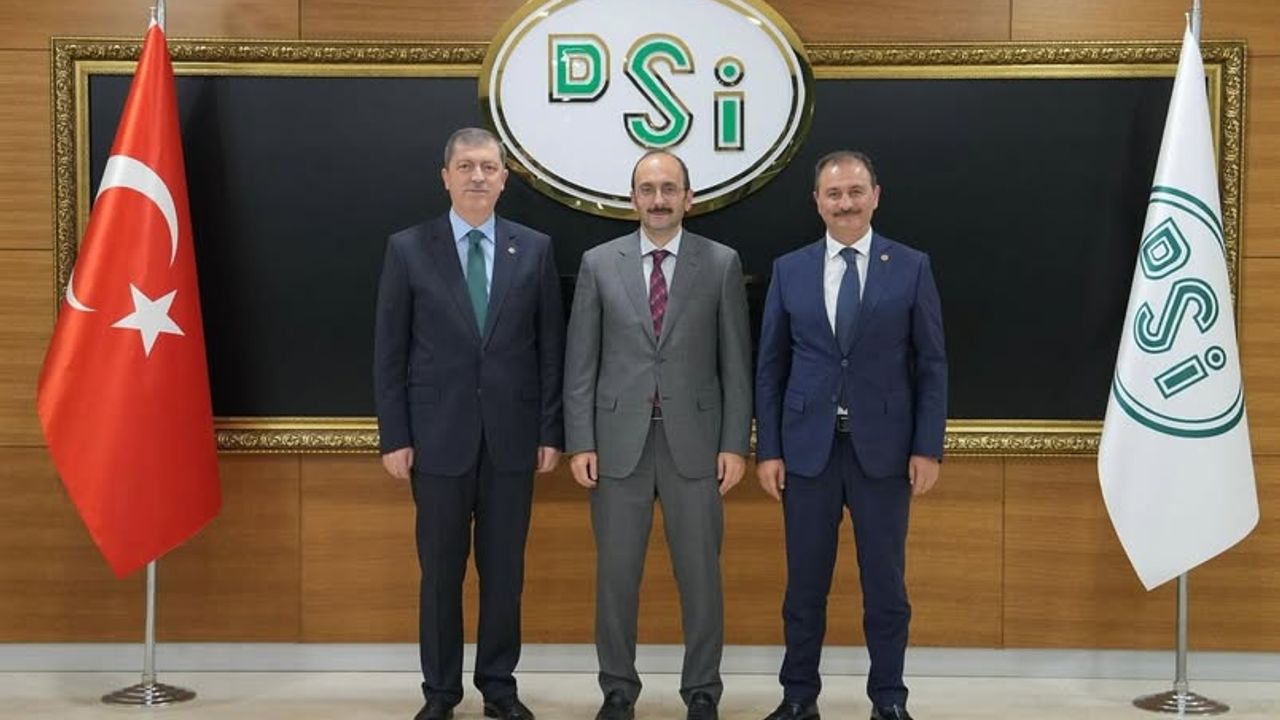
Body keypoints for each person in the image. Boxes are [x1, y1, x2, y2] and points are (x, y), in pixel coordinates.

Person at [373, 127, 565, 720]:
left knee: (505, 575)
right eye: (466, 166)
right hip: (437, 441)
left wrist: (551, 431)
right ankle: (440, 693)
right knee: (440, 575)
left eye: (487, 166)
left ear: (504, 178)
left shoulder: (534, 248)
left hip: (513, 442)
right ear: (446, 177)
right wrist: (395, 436)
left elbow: (550, 349)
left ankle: (499, 688)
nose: (477, 176)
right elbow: (389, 351)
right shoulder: (408, 248)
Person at [754, 151, 947, 720]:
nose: (845, 203)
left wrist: (927, 446)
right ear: (817, 201)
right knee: (804, 588)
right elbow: (770, 367)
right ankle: (798, 697)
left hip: (884, 455)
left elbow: (932, 363)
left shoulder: (911, 266)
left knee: (886, 587)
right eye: (834, 194)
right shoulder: (789, 269)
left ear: (876, 196)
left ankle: (889, 699)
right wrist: (769, 450)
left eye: (856, 191)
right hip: (806, 453)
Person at [563, 150, 752, 720]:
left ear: (688, 198)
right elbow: (580, 363)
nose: (659, 199)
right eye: (647, 189)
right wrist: (581, 441)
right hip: (616, 446)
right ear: (633, 199)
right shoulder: (599, 263)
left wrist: (733, 444)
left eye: (670, 188)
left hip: (696, 445)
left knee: (701, 578)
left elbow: (735, 365)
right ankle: (618, 690)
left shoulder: (720, 263)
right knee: (616, 579)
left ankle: (703, 691)